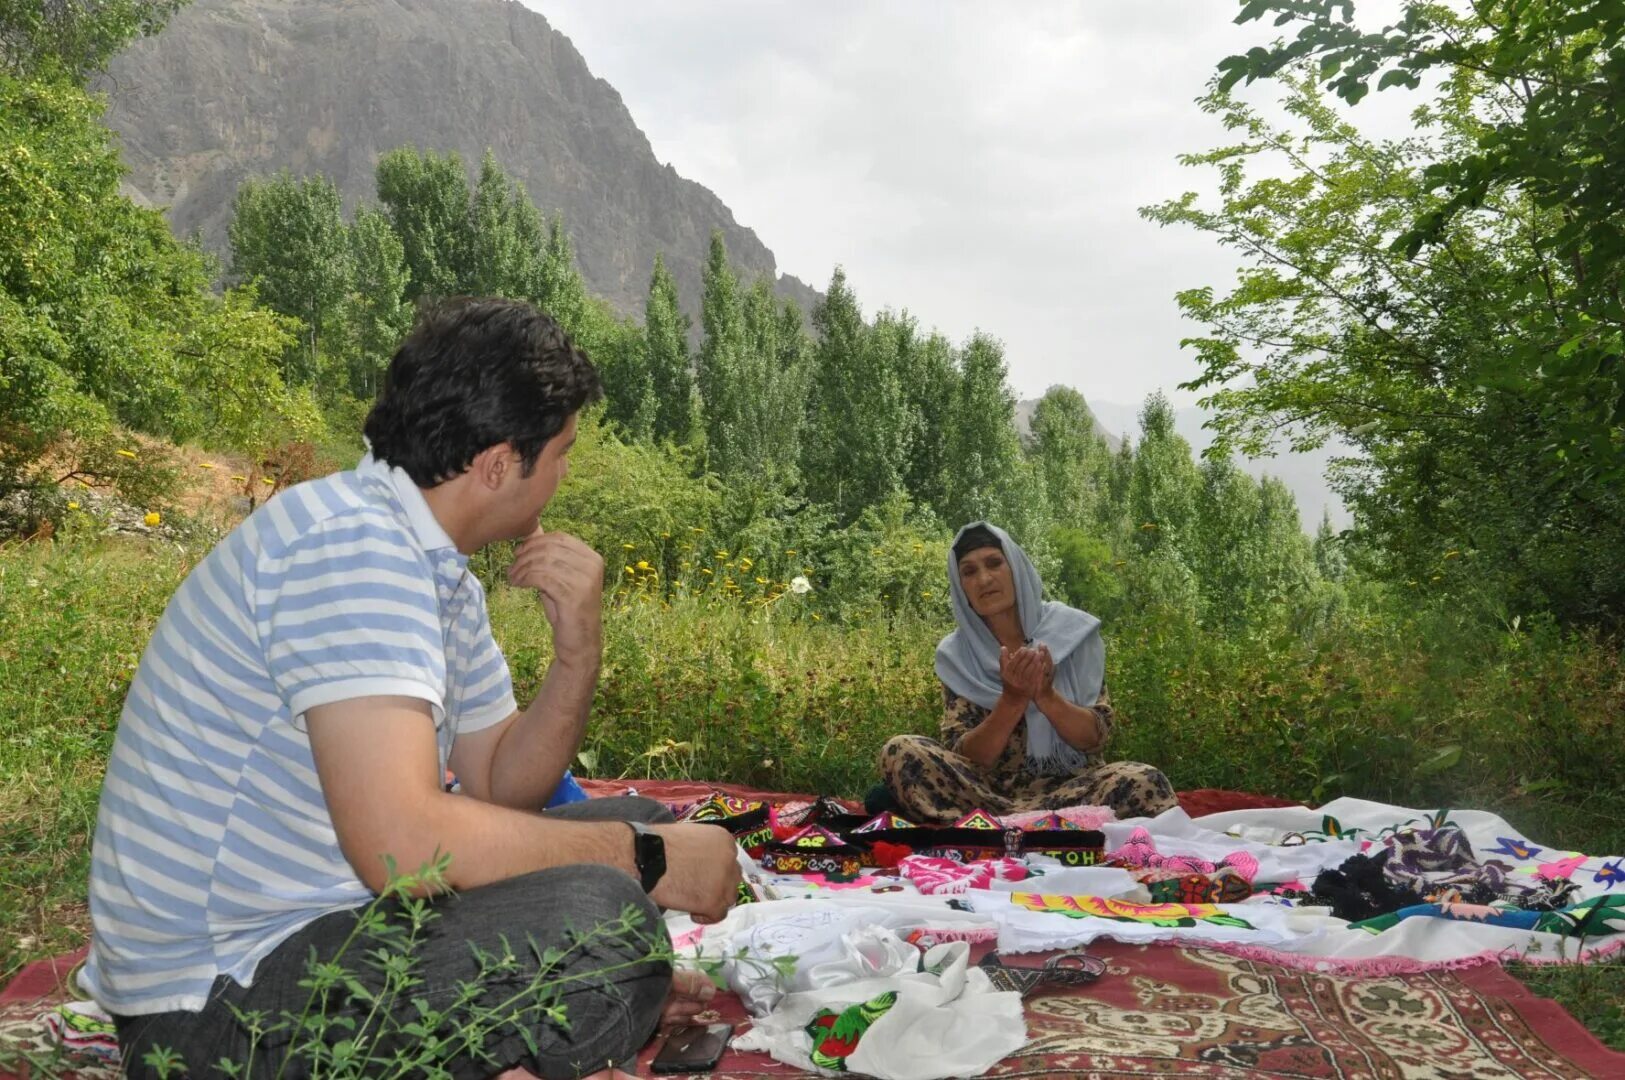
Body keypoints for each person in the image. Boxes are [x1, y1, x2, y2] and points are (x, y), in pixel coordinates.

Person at [85, 299, 742, 1080]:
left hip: (320, 928)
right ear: (500, 463)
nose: (565, 474)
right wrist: (646, 863)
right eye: (563, 452)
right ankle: (591, 1000)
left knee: (629, 837)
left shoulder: (428, 565)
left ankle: (593, 997)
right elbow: (400, 848)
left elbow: (504, 785)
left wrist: (577, 656)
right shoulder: (353, 549)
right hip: (212, 1011)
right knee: (607, 910)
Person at [879, 521, 1177, 823]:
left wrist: (1046, 696)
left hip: (1074, 790)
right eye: (969, 572)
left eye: (994, 563)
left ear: (1017, 569)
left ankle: (996, 830)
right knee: (901, 751)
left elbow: (1094, 738)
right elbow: (968, 755)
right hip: (987, 795)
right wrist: (1012, 700)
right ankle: (1020, 827)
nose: (984, 579)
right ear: (961, 588)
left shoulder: (1071, 632)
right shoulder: (957, 655)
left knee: (1145, 780)